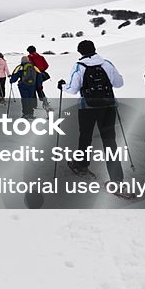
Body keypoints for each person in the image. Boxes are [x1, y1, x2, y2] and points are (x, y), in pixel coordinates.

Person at [63, 40, 127, 194]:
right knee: (109, 140)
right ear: (94, 49)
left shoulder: (79, 66)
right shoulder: (107, 63)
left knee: (85, 136)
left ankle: (82, 165)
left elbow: (72, 89)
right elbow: (119, 83)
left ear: (80, 52)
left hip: (87, 108)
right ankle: (117, 180)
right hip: (109, 107)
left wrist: (62, 86)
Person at [27, 45, 53, 111]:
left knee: (33, 89)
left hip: (33, 76)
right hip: (41, 75)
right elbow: (46, 65)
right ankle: (45, 102)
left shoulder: (29, 58)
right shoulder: (41, 57)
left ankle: (34, 105)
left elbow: (29, 67)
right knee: (39, 88)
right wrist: (41, 70)